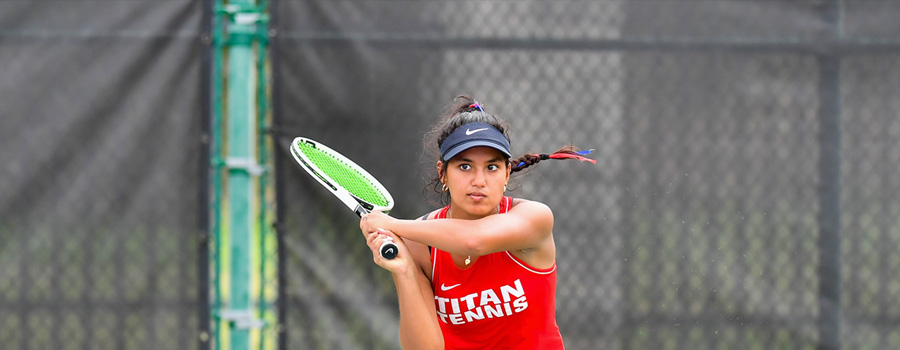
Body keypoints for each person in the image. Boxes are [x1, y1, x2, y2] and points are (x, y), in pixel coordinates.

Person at [359, 95, 595, 350]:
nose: (479, 180)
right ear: (443, 173)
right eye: (464, 166)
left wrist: (392, 225)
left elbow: (473, 241)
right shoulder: (420, 246)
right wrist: (404, 271)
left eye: (491, 167)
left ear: (506, 173)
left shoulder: (535, 218)